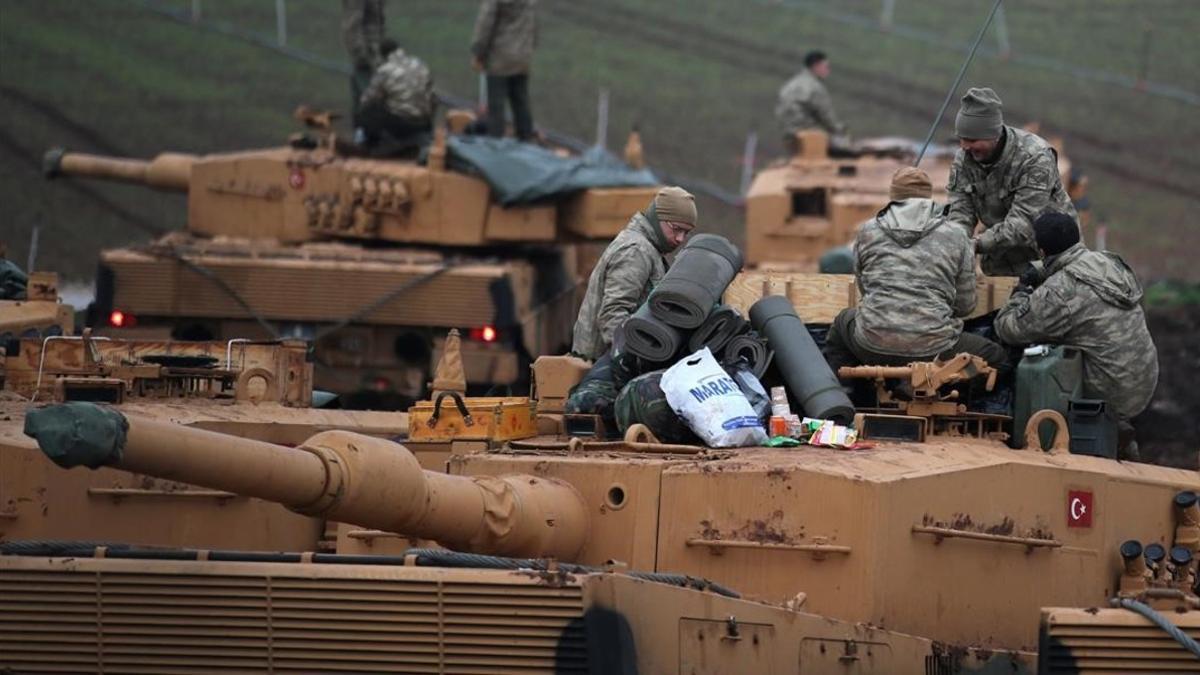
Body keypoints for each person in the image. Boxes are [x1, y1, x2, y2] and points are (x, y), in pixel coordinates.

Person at [995, 212, 1158, 457]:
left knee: (1039, 362)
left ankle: (1075, 437)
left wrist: (1023, 290)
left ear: (1041, 251)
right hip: (1142, 379)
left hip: (1109, 390)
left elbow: (1008, 328)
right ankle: (1120, 432)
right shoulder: (1108, 262)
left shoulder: (1060, 291)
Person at [823, 167, 1009, 373]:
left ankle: (846, 393)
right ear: (928, 197)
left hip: (871, 344)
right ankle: (946, 392)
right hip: (936, 350)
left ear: (894, 196)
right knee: (996, 357)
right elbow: (965, 305)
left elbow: (865, 288)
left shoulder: (868, 231)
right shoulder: (957, 235)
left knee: (842, 322)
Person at [947, 87, 1077, 276]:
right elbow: (960, 209)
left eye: (973, 140)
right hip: (1001, 258)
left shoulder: (1034, 157)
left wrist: (976, 244)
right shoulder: (964, 160)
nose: (965, 147)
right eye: (962, 139)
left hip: (1049, 256)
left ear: (994, 135)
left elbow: (1024, 222)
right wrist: (956, 241)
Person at [570, 187, 697, 362]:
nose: (680, 239)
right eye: (676, 229)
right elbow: (613, 313)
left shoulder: (650, 250)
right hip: (603, 365)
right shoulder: (636, 251)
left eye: (686, 233)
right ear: (658, 218)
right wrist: (629, 360)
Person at [471, 0, 537, 141]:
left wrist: (478, 52)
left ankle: (495, 147)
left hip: (499, 57)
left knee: (496, 108)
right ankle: (526, 143)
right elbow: (534, 25)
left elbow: (485, 23)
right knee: (521, 103)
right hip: (522, 57)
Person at [357, 39, 434, 154]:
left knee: (367, 110)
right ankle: (417, 140)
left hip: (402, 126)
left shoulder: (385, 70)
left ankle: (378, 144)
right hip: (424, 124)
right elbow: (433, 98)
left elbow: (366, 100)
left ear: (383, 55)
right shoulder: (419, 63)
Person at [775, 50, 847, 155]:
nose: (828, 71)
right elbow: (826, 117)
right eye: (826, 67)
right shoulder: (815, 87)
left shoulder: (790, 85)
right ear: (816, 66)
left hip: (789, 136)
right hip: (810, 135)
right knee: (843, 145)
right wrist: (840, 130)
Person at [341, 0, 386, 128]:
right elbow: (352, 25)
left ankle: (367, 136)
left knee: (371, 100)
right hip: (366, 56)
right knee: (368, 101)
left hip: (375, 54)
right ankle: (365, 137)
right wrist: (361, 54)